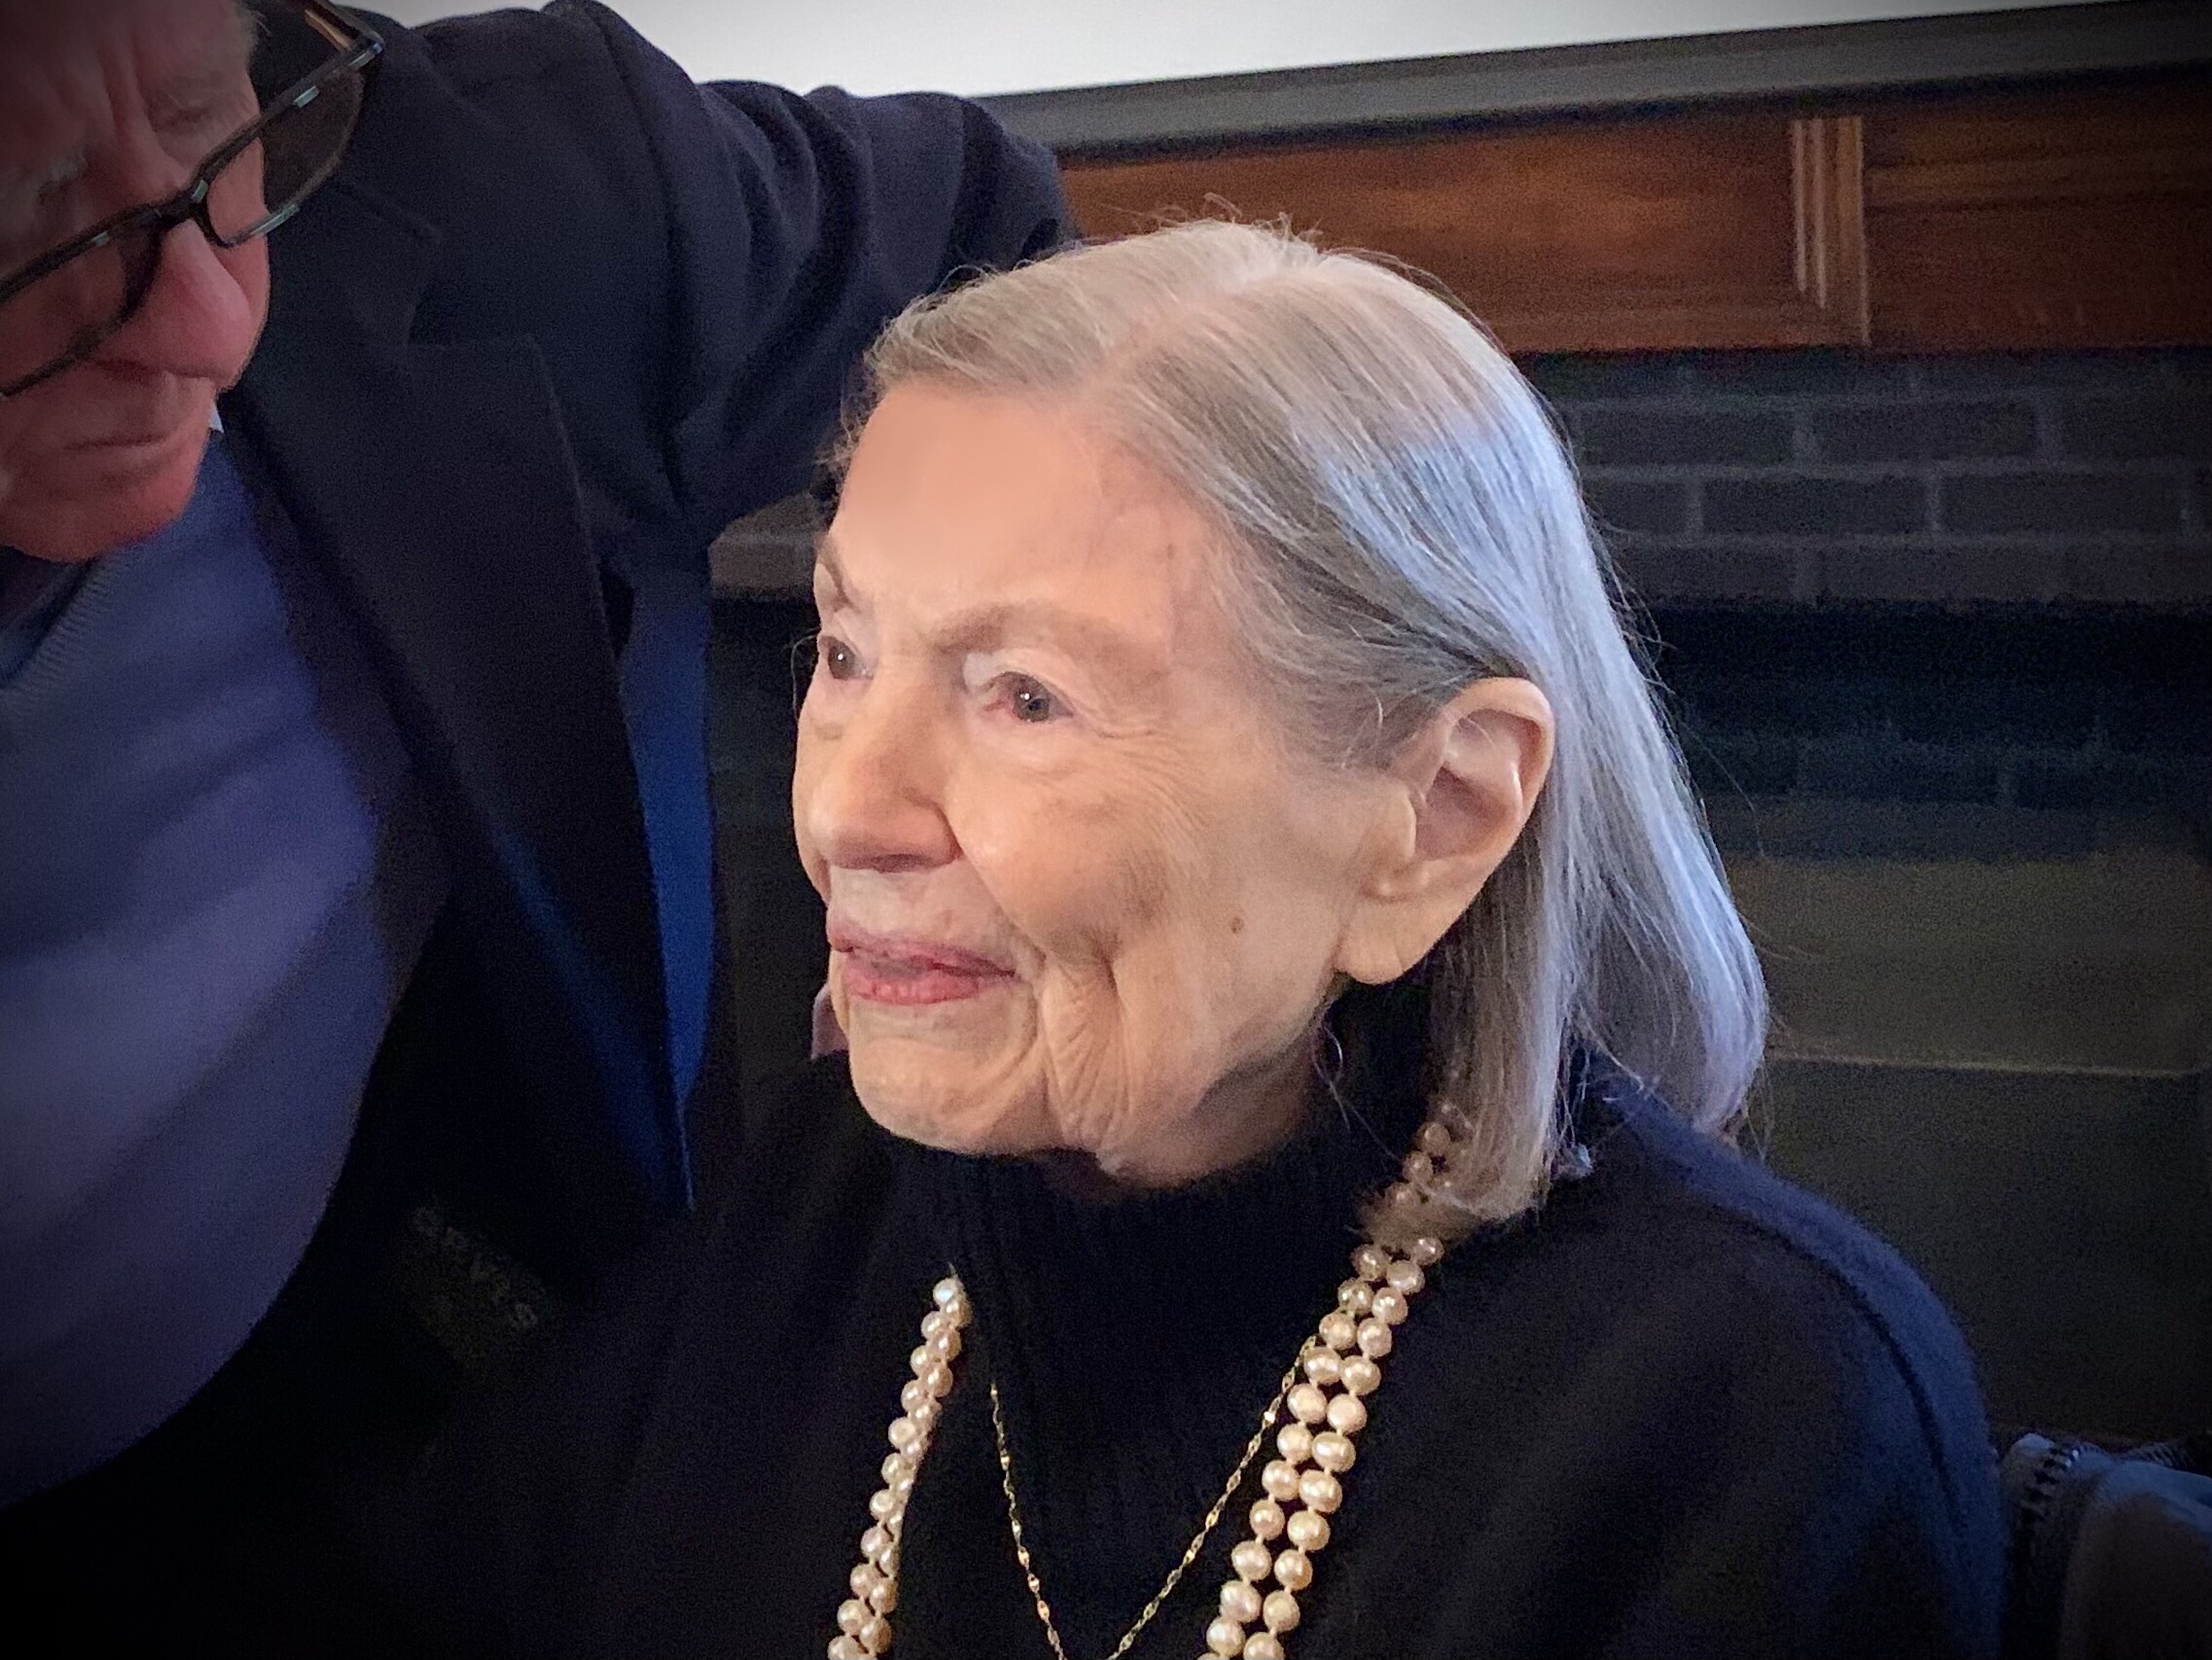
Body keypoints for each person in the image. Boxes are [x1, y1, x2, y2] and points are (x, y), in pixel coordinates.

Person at [380, 221, 2007, 1658]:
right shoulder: (832, 1209)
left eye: (1026, 696)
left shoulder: (1745, 1419)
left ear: (1432, 817)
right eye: (844, 649)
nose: (845, 815)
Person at [0, 0, 1067, 1643]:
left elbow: (1016, 257)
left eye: (217, 123)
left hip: (393, 1445)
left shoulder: (527, 198)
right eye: (27, 208)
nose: (208, 316)